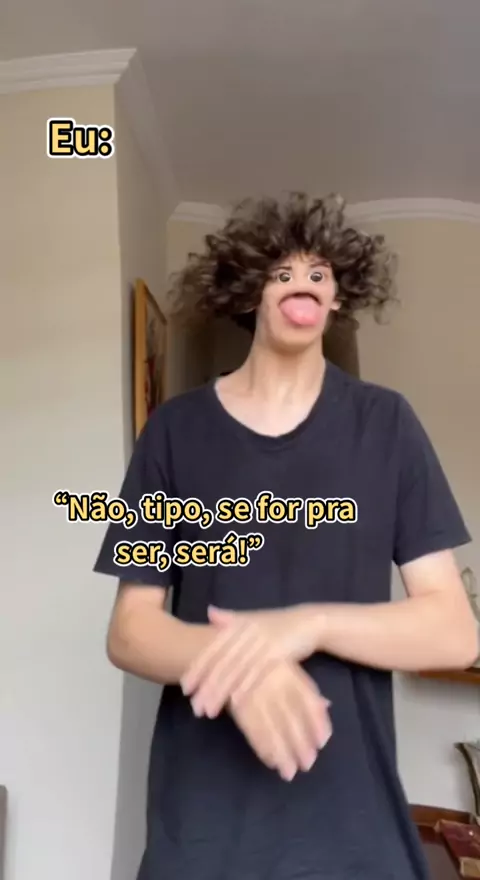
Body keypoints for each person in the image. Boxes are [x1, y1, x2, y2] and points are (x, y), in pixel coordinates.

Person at [94, 192, 478, 880]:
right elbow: (130, 631)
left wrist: (306, 625)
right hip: (203, 831)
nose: (303, 281)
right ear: (249, 290)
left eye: (318, 272)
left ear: (338, 296)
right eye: (281, 271)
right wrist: (243, 664)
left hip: (353, 828)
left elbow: (454, 633)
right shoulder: (174, 431)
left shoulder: (388, 425)